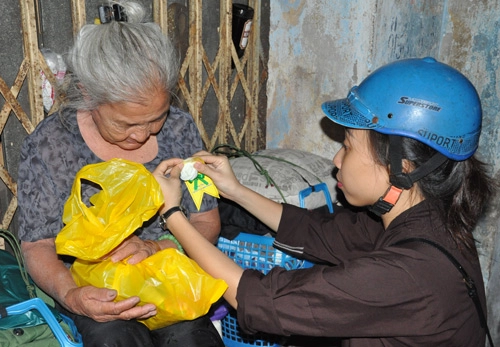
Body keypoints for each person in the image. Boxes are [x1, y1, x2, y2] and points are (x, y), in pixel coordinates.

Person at [152, 57, 496, 346]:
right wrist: (235, 190)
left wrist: (172, 213)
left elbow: (257, 299)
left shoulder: (406, 273)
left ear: (402, 166)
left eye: (347, 145)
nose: (336, 159)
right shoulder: (425, 220)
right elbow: (315, 231)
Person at [17, 1, 224, 346]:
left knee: (192, 337)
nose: (143, 135)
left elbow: (206, 219)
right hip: (91, 289)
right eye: (126, 124)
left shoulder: (180, 130)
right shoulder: (50, 146)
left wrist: (157, 246)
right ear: (87, 94)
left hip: (168, 278)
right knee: (115, 337)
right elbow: (38, 244)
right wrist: (72, 295)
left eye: (155, 118)